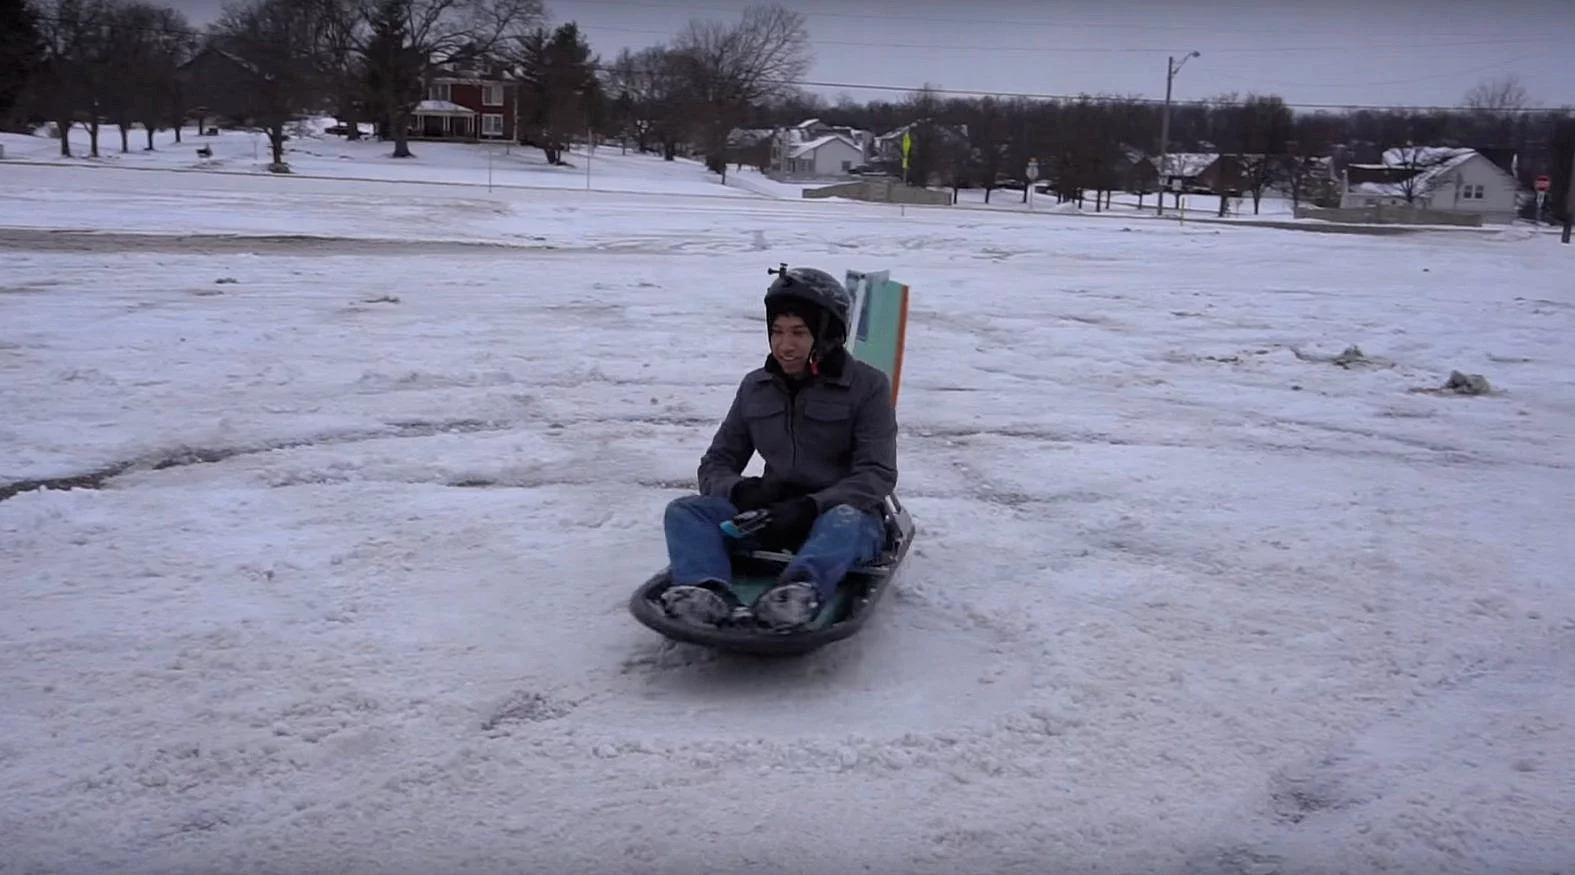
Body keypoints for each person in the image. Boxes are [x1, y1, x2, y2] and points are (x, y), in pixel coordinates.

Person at [659, 265, 899, 631]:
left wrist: (811, 506)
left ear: (828, 333)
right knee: (686, 512)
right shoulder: (756, 387)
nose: (785, 345)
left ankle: (794, 596)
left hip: (840, 518)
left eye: (799, 333)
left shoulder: (867, 386)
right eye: (777, 332)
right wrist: (742, 490)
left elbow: (876, 474)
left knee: (846, 522)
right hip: (771, 514)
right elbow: (716, 462)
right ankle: (709, 593)